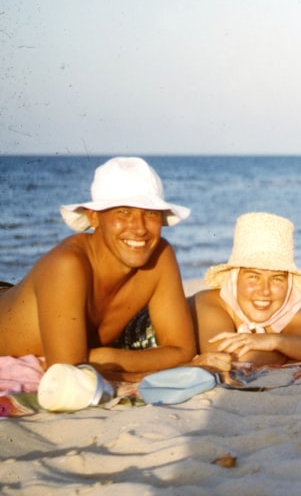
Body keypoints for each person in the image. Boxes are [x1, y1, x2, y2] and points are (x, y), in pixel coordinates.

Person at [0, 157, 197, 383]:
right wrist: (141, 371)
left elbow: (182, 350)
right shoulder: (67, 264)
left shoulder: (159, 256)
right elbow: (68, 372)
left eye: (151, 213)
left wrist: (105, 356)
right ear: (94, 217)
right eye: (123, 212)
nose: (140, 228)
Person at [189, 212, 301, 370]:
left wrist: (274, 341)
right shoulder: (208, 303)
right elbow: (230, 361)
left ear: (288, 283)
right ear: (234, 278)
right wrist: (287, 350)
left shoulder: (284, 309)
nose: (265, 291)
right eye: (253, 277)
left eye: (277, 279)